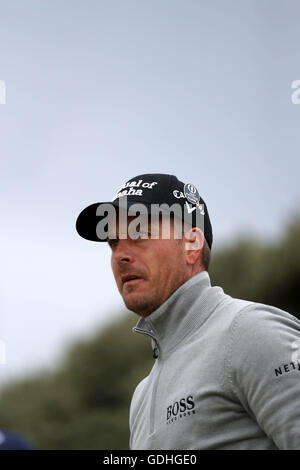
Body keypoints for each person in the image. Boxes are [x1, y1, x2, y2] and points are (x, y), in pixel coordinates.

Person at [76, 173, 300, 450]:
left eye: (140, 234)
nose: (120, 255)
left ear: (191, 245)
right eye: (113, 243)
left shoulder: (252, 331)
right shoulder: (142, 395)